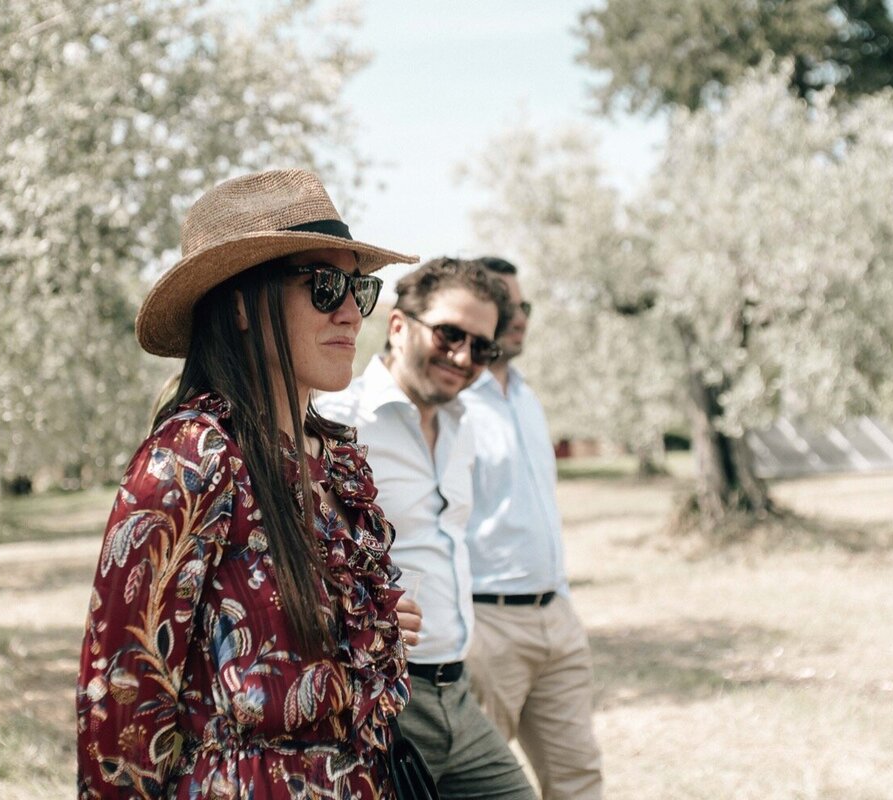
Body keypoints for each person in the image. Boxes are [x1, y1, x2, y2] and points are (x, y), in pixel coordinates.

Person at [76, 168, 423, 799]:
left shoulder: (335, 460)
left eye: (358, 288)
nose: (350, 310)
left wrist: (372, 627)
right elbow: (121, 709)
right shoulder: (191, 458)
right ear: (239, 303)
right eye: (322, 285)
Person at [317, 257, 536, 800]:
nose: (464, 357)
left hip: (458, 693)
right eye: (449, 334)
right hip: (380, 698)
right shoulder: (334, 418)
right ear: (398, 325)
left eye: (481, 347)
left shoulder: (464, 424)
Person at [461, 256, 602, 800]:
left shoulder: (527, 397)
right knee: (483, 790)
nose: (519, 317)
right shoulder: (452, 405)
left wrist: (563, 603)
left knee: (579, 779)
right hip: (488, 628)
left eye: (525, 306)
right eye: (506, 305)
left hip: (557, 622)